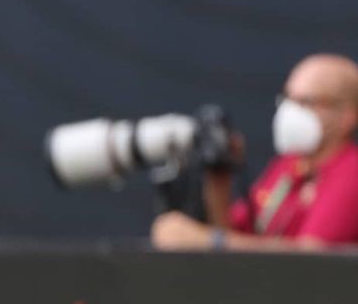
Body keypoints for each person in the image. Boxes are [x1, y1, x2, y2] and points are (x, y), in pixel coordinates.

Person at [152, 53, 358, 251]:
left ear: (347, 117)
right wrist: (220, 181)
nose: (290, 111)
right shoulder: (288, 165)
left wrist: (206, 241)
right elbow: (236, 239)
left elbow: (314, 260)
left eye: (305, 102)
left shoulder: (351, 171)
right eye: (287, 98)